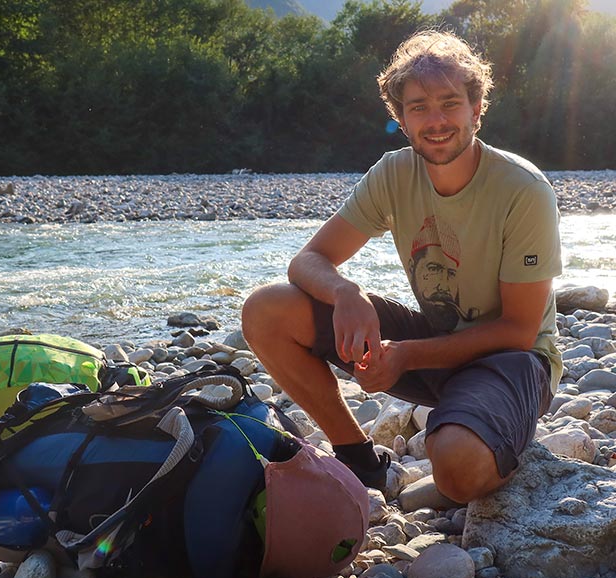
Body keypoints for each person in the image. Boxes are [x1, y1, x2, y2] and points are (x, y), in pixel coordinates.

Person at [241, 30, 562, 503]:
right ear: (402, 120)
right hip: (438, 341)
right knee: (267, 310)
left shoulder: (522, 190)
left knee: (458, 469)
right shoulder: (393, 173)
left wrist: (407, 356)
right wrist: (344, 292)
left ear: (477, 109)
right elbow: (308, 260)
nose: (436, 120)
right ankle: (359, 461)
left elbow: (518, 329)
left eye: (450, 103)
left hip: (514, 360)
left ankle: (492, 430)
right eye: (419, 107)